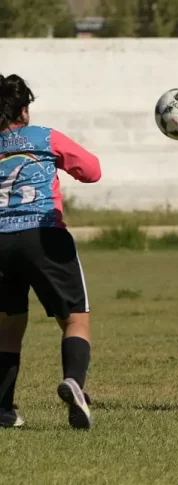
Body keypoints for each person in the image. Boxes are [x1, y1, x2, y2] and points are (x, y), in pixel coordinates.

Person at [0, 74, 101, 429]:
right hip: (44, 237)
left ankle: (3, 409)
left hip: (0, 242)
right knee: (75, 319)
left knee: (8, 326)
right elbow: (92, 171)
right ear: (24, 111)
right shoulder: (43, 136)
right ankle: (74, 381)